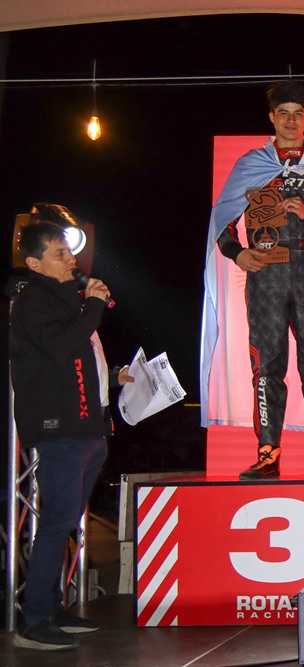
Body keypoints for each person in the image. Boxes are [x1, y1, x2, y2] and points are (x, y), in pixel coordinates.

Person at [209, 81, 304, 480]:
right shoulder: (250, 165)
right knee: (266, 365)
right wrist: (237, 253)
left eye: (298, 113)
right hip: (266, 275)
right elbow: (222, 222)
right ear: (271, 118)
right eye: (284, 113)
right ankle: (267, 453)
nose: (291, 120)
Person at [10, 221, 133, 651]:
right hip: (59, 428)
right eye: (60, 253)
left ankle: (51, 606)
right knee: (57, 522)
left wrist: (116, 377)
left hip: (87, 427)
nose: (71, 259)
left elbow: (80, 363)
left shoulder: (68, 301)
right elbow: (61, 347)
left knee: (65, 523)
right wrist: (93, 307)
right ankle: (33, 621)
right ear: (35, 264)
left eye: (69, 251)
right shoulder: (33, 301)